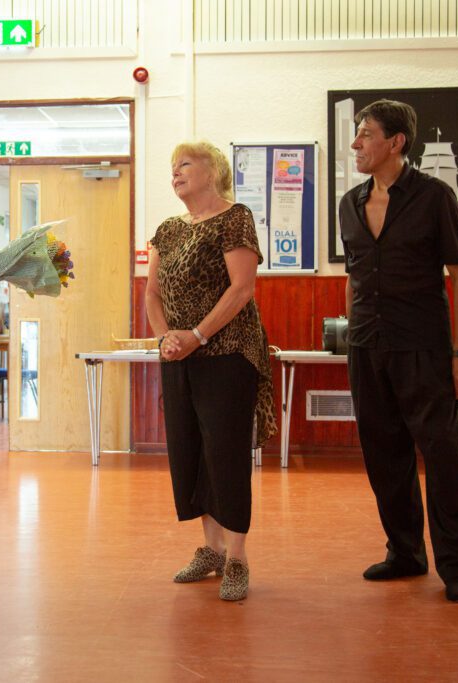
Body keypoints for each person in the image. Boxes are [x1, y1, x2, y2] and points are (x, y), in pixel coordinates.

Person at [339, 99, 458, 603]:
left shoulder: (434, 197)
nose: (356, 143)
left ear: (396, 142)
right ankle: (405, 552)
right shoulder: (349, 204)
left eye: (366, 134)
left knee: (442, 456)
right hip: (367, 347)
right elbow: (356, 278)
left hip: (423, 347)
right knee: (384, 455)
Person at [146, 141, 276, 602]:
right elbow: (152, 294)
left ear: (212, 171)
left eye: (184, 164)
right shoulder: (167, 229)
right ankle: (211, 549)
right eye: (172, 166)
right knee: (191, 452)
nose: (175, 172)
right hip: (179, 355)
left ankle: (237, 558)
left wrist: (196, 335)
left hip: (226, 354)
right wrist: (166, 338)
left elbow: (242, 289)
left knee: (225, 454)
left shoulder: (234, 217)